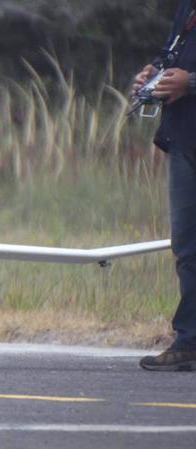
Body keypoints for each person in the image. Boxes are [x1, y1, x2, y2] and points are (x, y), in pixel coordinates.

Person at [134, 0, 196, 371]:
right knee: (187, 246)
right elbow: (176, 55)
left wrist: (191, 82)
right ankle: (189, 340)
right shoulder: (186, 8)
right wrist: (155, 77)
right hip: (183, 137)